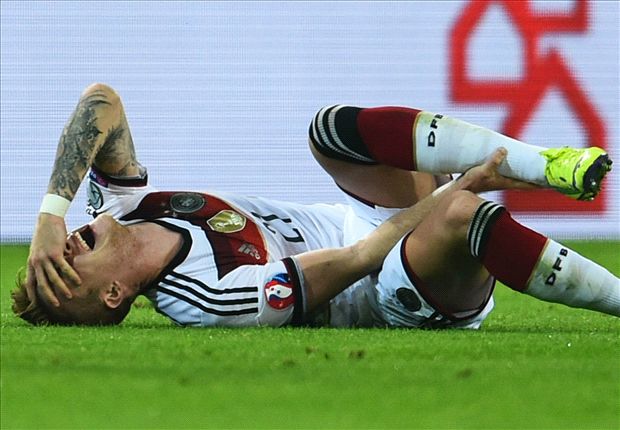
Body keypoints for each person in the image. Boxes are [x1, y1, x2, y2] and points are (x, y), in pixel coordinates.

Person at [12, 84, 618, 328]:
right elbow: (362, 258)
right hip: (390, 287)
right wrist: (457, 188)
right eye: (64, 265)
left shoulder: (121, 207)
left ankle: (545, 165)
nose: (66, 245)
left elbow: (102, 103)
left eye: (53, 253)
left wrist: (48, 216)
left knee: (329, 131)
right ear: (113, 294)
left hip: (368, 223)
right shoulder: (214, 299)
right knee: (460, 218)